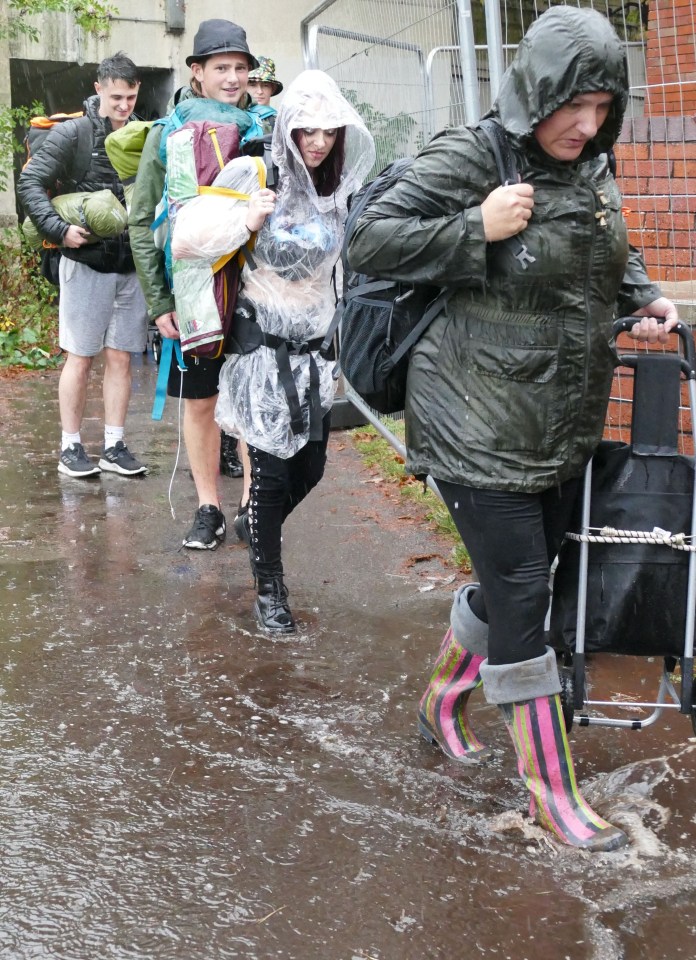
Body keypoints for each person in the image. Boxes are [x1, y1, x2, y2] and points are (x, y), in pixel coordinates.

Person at [347, 5, 679, 851]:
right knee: (525, 594)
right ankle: (549, 793)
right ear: (536, 91)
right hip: (473, 421)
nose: (586, 124)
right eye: (574, 104)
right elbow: (369, 240)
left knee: (522, 581)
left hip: (558, 420)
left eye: (603, 107)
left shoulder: (592, 165)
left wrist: (642, 295)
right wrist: (474, 229)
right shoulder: (473, 156)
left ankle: (439, 700)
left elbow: (609, 246)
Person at [172, 70, 375, 631]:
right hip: (260, 352)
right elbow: (184, 240)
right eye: (307, 130)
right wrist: (245, 218)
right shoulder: (254, 171)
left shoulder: (339, 192)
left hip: (315, 355)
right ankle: (271, 591)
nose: (317, 142)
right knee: (270, 475)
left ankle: (257, 528)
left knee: (310, 468)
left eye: (329, 132)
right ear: (288, 128)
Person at [129, 20, 263, 549]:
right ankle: (208, 507)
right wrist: (158, 300)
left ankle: (253, 504)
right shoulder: (167, 134)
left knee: (253, 399)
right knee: (201, 400)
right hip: (192, 290)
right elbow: (142, 221)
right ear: (197, 73)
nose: (233, 79)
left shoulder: (265, 129)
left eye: (241, 68)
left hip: (255, 289)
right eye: (222, 68)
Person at [18, 53, 149, 479]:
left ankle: (113, 445)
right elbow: (30, 182)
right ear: (98, 89)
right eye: (116, 97)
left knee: (121, 358)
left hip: (130, 266)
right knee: (80, 357)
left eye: (130, 97)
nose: (124, 105)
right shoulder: (74, 133)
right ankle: (70, 447)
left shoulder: (142, 133)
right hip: (84, 262)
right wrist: (58, 230)